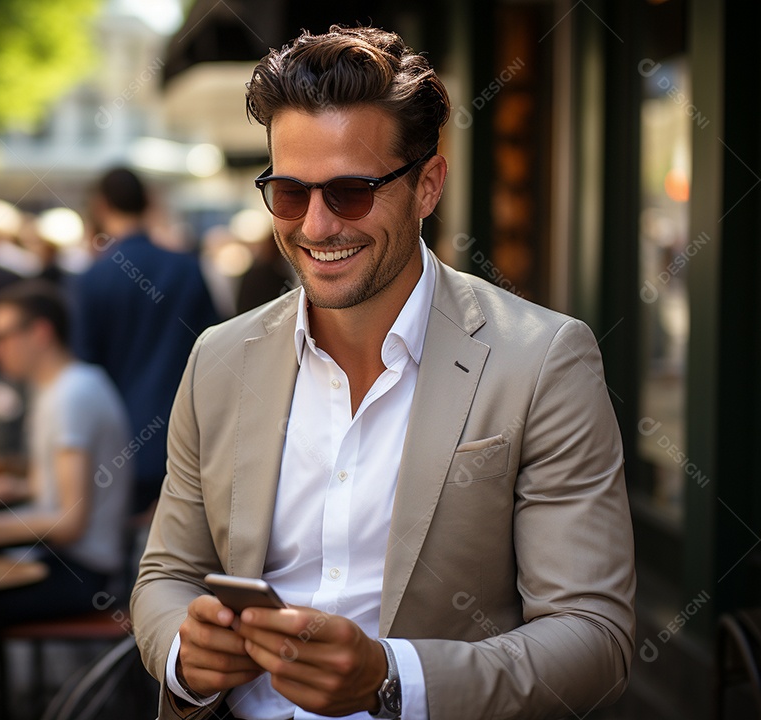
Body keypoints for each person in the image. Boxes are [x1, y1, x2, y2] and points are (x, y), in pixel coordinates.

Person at [131, 25, 635, 720]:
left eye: (350, 191)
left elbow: (594, 638)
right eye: (287, 192)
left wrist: (393, 678)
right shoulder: (218, 359)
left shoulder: (544, 360)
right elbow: (167, 575)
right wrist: (187, 657)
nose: (315, 226)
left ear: (427, 186)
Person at [0, 280, 134, 700]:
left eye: (1, 336)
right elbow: (54, 491)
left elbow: (69, 521)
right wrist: (9, 488)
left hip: (82, 574)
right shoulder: (65, 387)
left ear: (40, 332)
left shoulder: (70, 396)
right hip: (70, 562)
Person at [72, 167, 219, 514]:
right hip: (187, 437)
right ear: (147, 202)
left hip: (117, 442)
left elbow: (86, 367)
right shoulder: (186, 268)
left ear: (101, 205)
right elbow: (216, 350)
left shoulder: (93, 278)